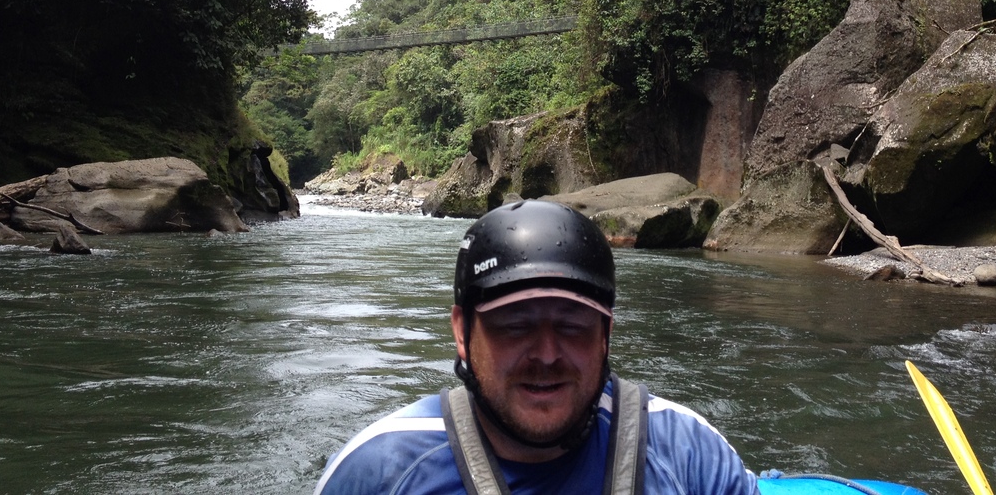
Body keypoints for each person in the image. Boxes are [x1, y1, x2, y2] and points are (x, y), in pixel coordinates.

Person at [314, 199, 758, 495]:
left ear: (606, 335)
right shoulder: (377, 470)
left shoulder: (688, 454)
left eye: (573, 326)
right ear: (461, 333)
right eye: (514, 326)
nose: (546, 355)